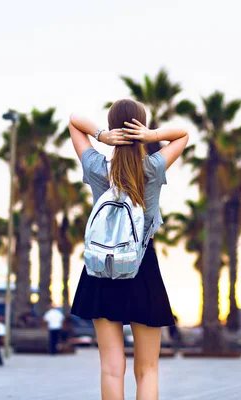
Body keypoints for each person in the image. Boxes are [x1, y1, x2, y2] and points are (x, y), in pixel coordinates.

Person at [69, 99, 188, 400]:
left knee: (111, 367)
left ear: (112, 128)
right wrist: (150, 136)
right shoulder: (152, 167)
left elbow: (73, 120)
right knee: (147, 369)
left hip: (101, 268)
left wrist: (100, 136)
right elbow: (184, 134)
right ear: (141, 126)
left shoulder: (98, 167)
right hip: (142, 267)